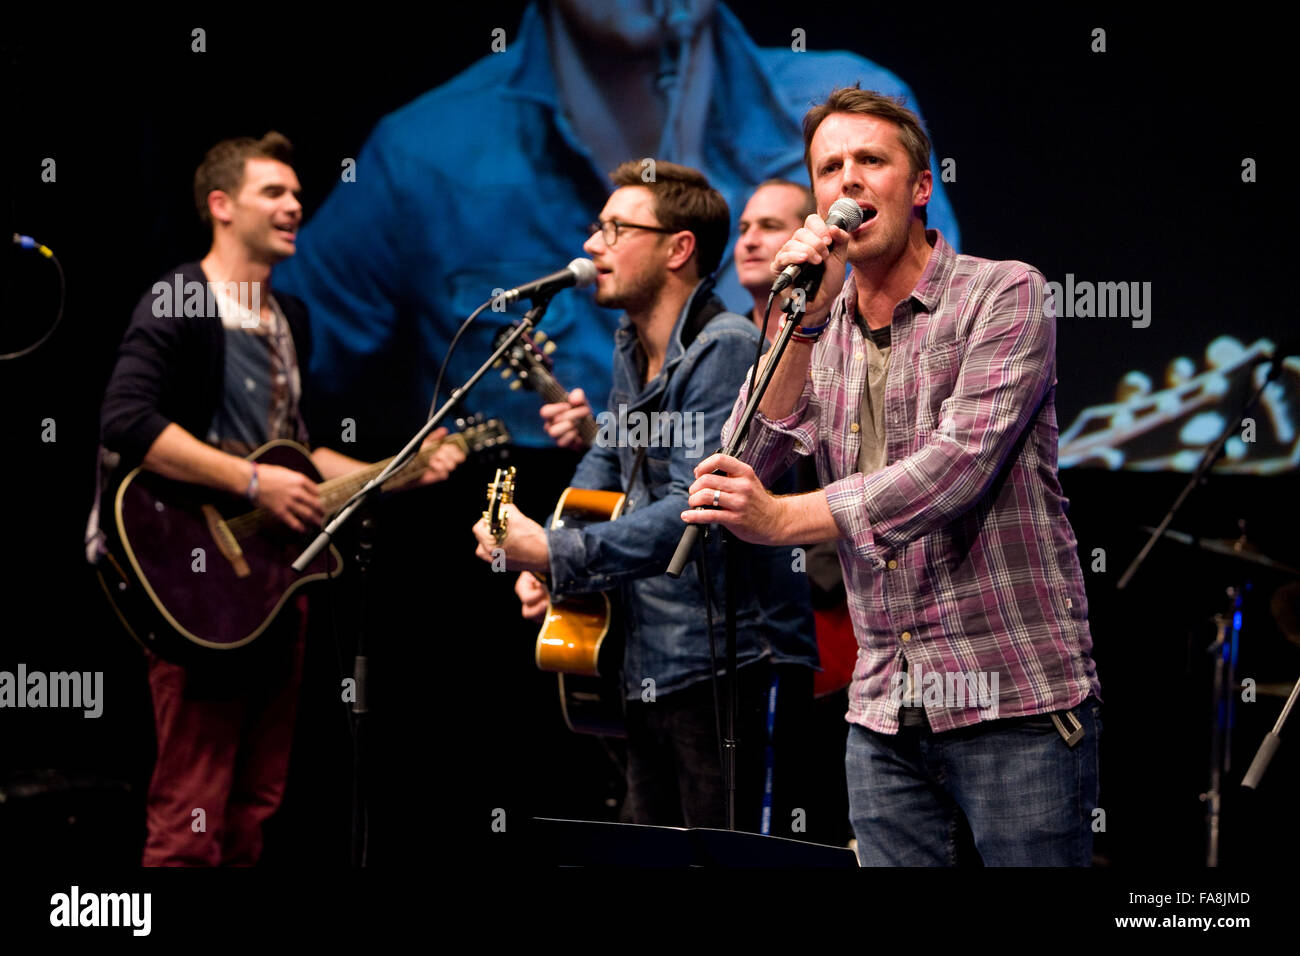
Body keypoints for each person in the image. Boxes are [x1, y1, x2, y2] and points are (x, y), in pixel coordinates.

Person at [682, 87, 1102, 865]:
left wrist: (780, 521)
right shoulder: (815, 323)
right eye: (829, 167)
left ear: (918, 187)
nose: (847, 182)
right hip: (881, 708)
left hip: (1011, 694)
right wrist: (801, 322)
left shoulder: (1002, 292)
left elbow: (954, 471)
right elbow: (749, 453)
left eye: (869, 161)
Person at [272, 1, 959, 456]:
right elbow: (270, 365)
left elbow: (926, 384)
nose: (592, 248)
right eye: (598, 230)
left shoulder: (850, 101)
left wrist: (573, 550)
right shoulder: (422, 153)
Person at [86, 133, 465, 866]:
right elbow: (126, 421)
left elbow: (292, 446)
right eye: (275, 193)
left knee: (255, 801)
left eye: (296, 193)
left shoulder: (288, 315)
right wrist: (250, 482)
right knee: (191, 803)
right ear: (221, 207)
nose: (295, 205)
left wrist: (390, 470)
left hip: (268, 580)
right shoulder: (179, 300)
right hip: (192, 574)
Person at [471, 160, 817, 833]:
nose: (591, 247)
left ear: (677, 248)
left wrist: (557, 549)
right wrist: (545, 554)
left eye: (614, 229)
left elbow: (698, 510)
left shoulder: (725, 349)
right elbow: (602, 467)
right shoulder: (633, 346)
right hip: (650, 658)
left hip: (730, 665)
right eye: (596, 228)